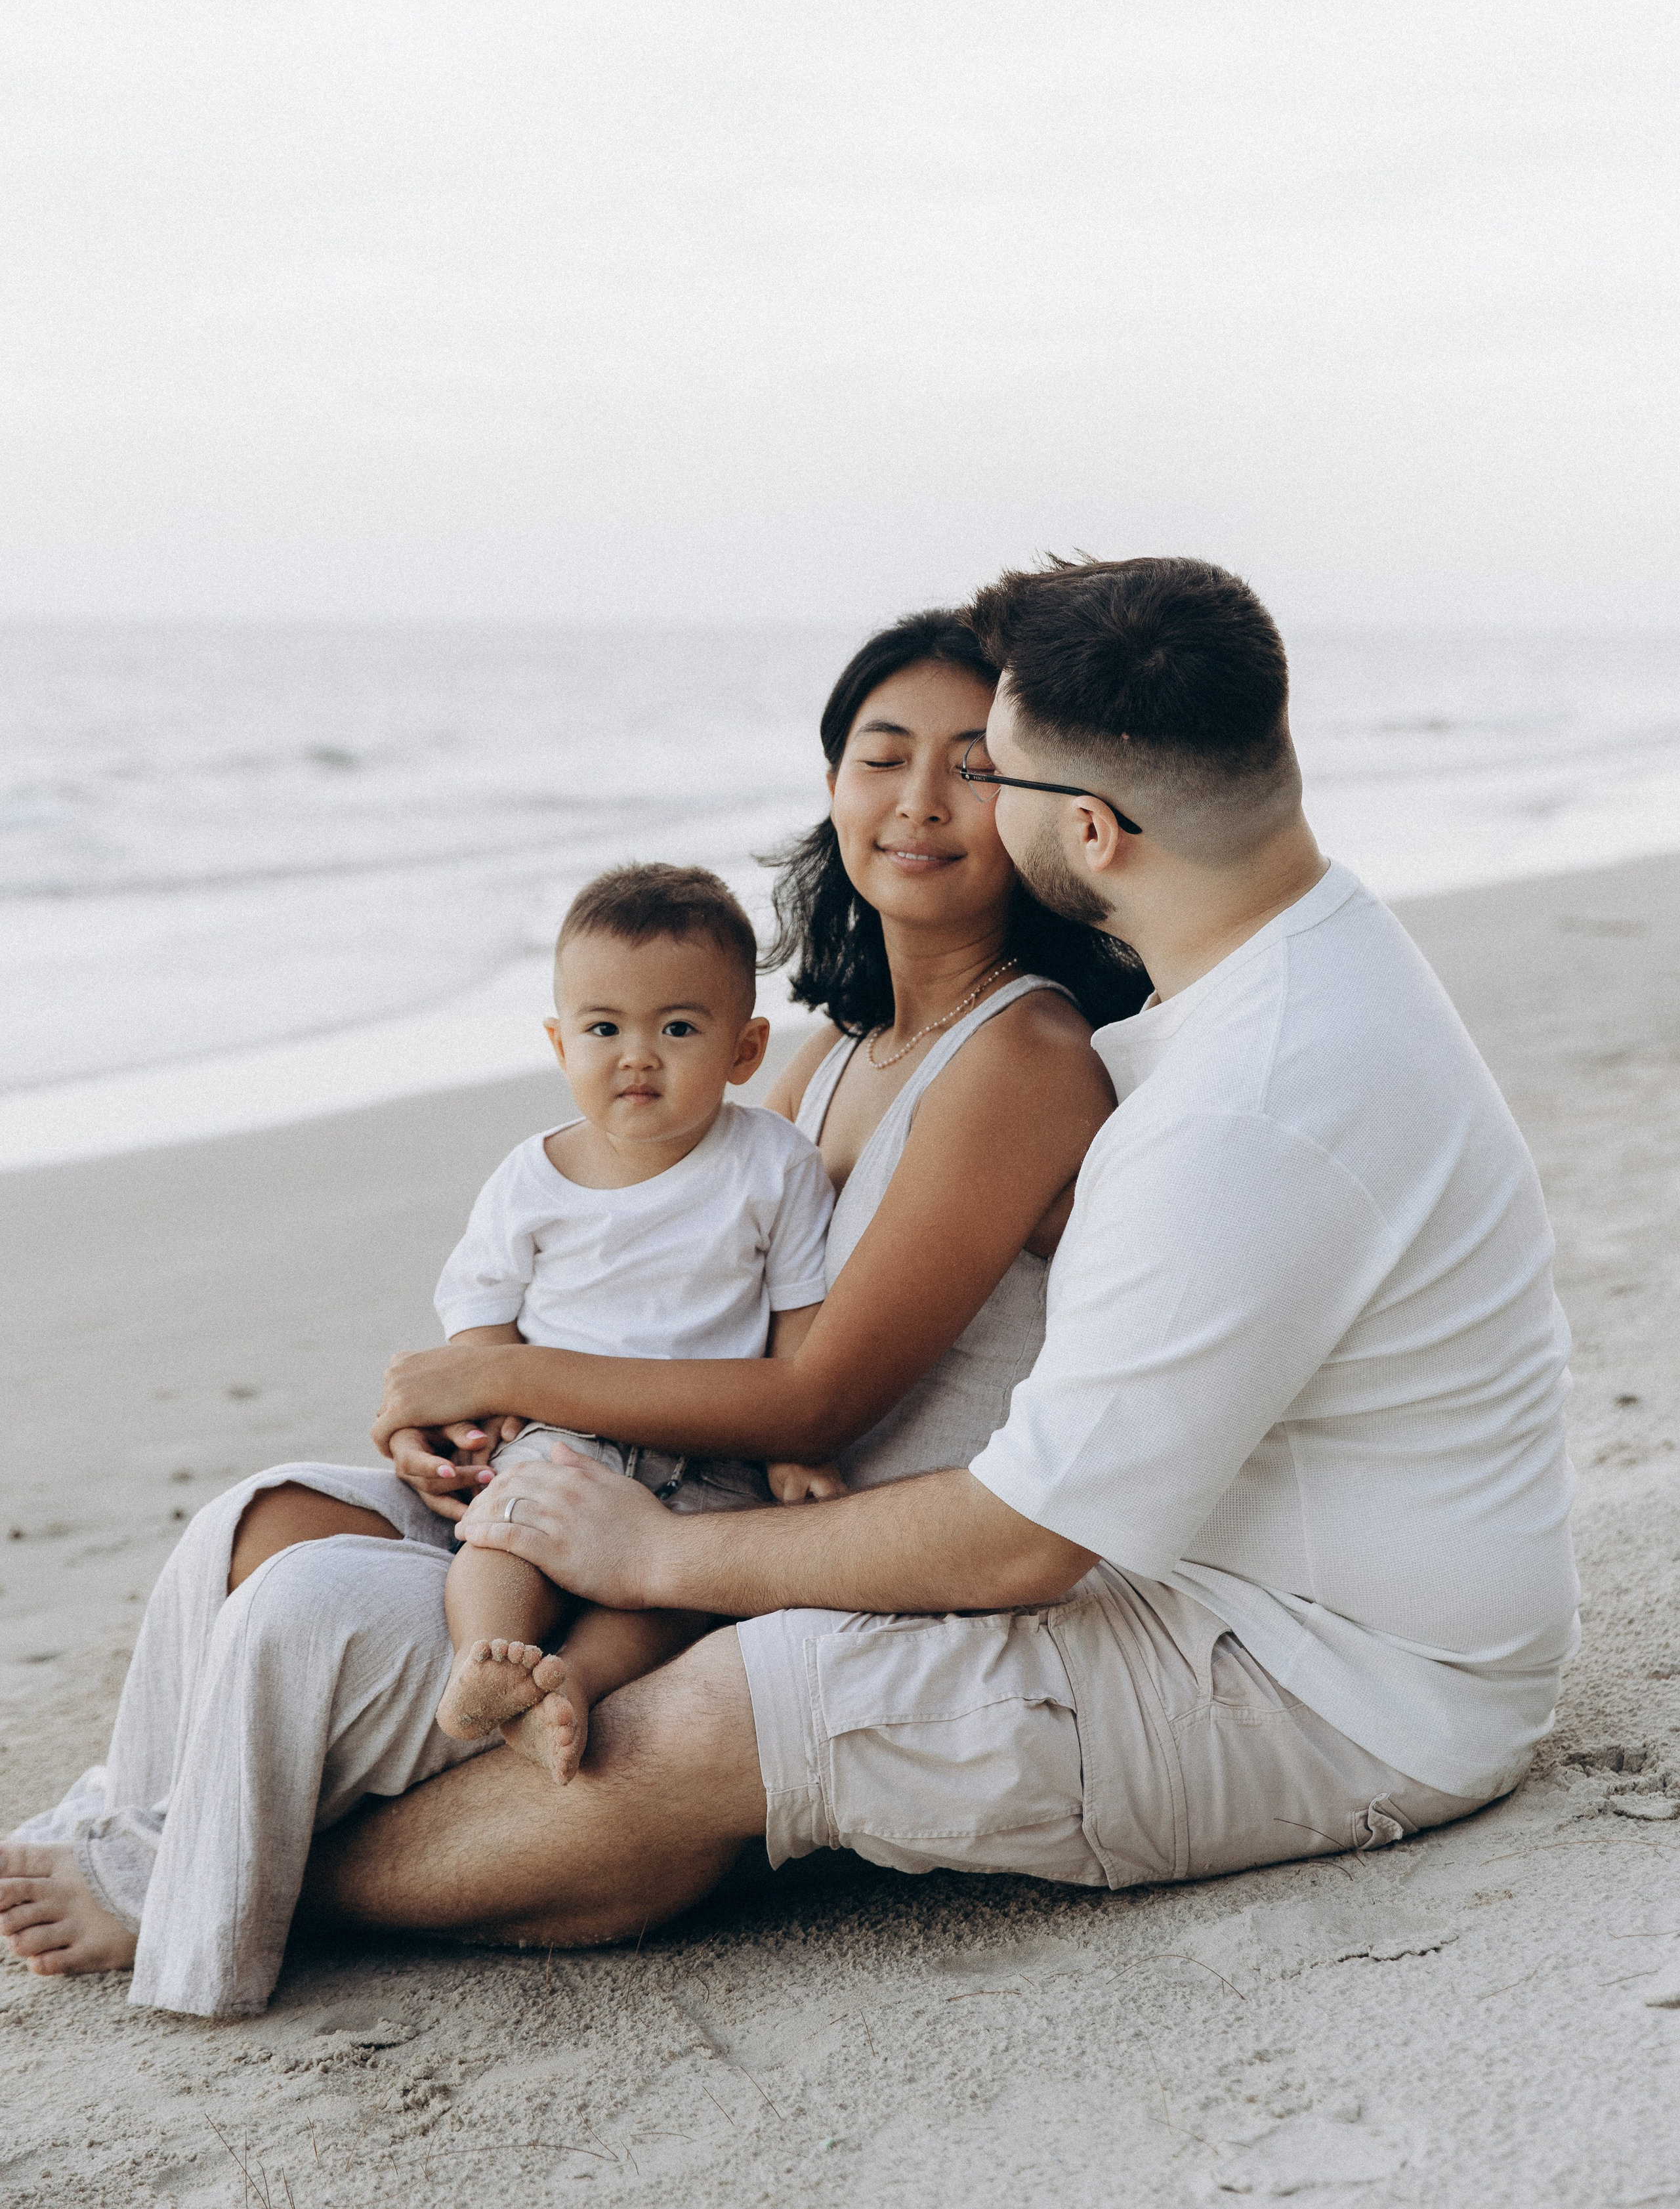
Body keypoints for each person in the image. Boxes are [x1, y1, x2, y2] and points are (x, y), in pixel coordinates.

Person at [301, 553, 1578, 1950]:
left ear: (1084, 829)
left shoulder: (1242, 1101)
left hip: (1338, 1684)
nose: (939, 800)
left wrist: (661, 1551)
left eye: (993, 770)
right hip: (1214, 1574)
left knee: (703, 1716)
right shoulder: (1287, 970)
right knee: (352, 1548)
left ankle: (263, 1888)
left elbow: (1023, 1537)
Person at [1, 607, 1141, 2011]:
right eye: (876, 754)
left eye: (969, 764)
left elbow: (814, 1398)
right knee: (257, 1519)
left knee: (304, 1604)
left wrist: (514, 1368)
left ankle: (190, 1887)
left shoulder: (1020, 1051)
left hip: (762, 1536)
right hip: (596, 1479)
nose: (914, 801)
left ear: (1034, 805)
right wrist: (458, 1412)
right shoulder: (822, 1056)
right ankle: (146, 1824)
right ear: (831, 784)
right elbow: (654, 1274)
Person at [428, 862, 837, 1787]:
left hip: (714, 1450)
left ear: (746, 1047)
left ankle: (572, 1681)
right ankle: (484, 1658)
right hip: (567, 1439)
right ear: (558, 1041)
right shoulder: (530, 1179)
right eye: (603, 1027)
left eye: (678, 1028)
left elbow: (799, 1313)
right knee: (503, 1534)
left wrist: (796, 1449)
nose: (636, 1055)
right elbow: (480, 1317)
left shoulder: (772, 1162)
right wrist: (492, 1425)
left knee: (678, 1593)